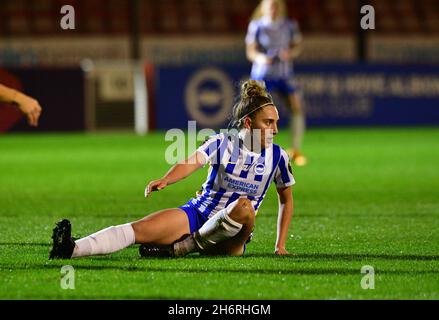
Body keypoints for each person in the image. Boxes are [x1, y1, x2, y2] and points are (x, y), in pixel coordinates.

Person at [49, 80, 295, 259]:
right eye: (268, 123)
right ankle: (72, 249)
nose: (275, 129)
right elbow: (192, 160)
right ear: (249, 123)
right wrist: (167, 179)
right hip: (197, 215)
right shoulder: (222, 142)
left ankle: (184, 247)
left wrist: (279, 245)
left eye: (276, 123)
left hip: (233, 237)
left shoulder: (278, 157)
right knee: (140, 229)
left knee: (244, 207)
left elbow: (286, 200)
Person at [245, 0, 307, 166]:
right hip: (262, 75)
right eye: (270, 6)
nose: (273, 9)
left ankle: (295, 149)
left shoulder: (289, 25)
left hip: (284, 74)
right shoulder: (256, 25)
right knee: (258, 112)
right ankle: (252, 149)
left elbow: (297, 47)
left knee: (296, 107)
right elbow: (250, 51)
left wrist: (290, 54)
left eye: (275, 6)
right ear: (263, 8)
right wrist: (261, 58)